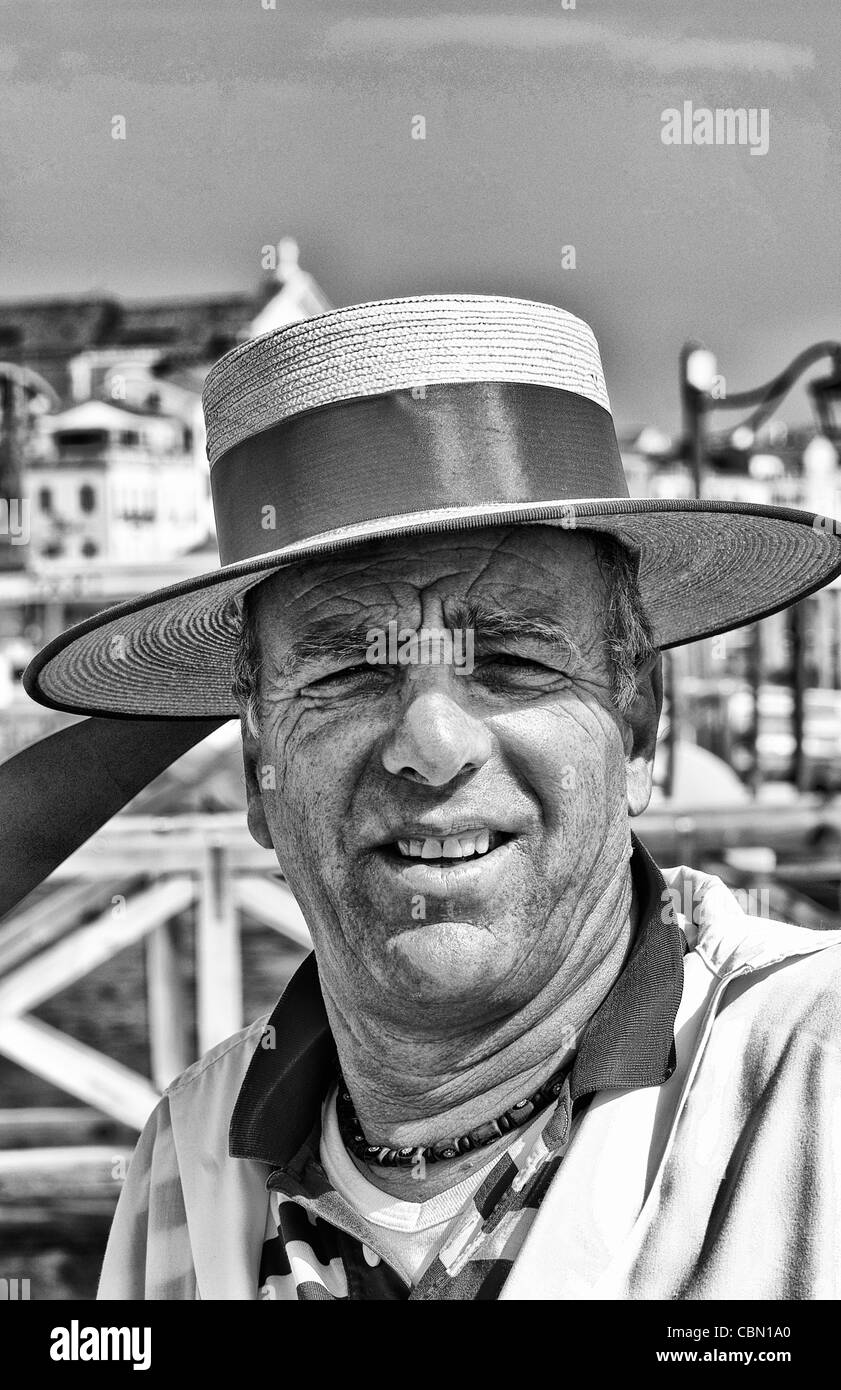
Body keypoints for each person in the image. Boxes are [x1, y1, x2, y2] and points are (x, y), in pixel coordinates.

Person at [22, 295, 841, 1299]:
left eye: (507, 654)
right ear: (254, 771)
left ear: (635, 718)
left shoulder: (815, 1077)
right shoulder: (187, 1156)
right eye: (346, 673)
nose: (430, 745)